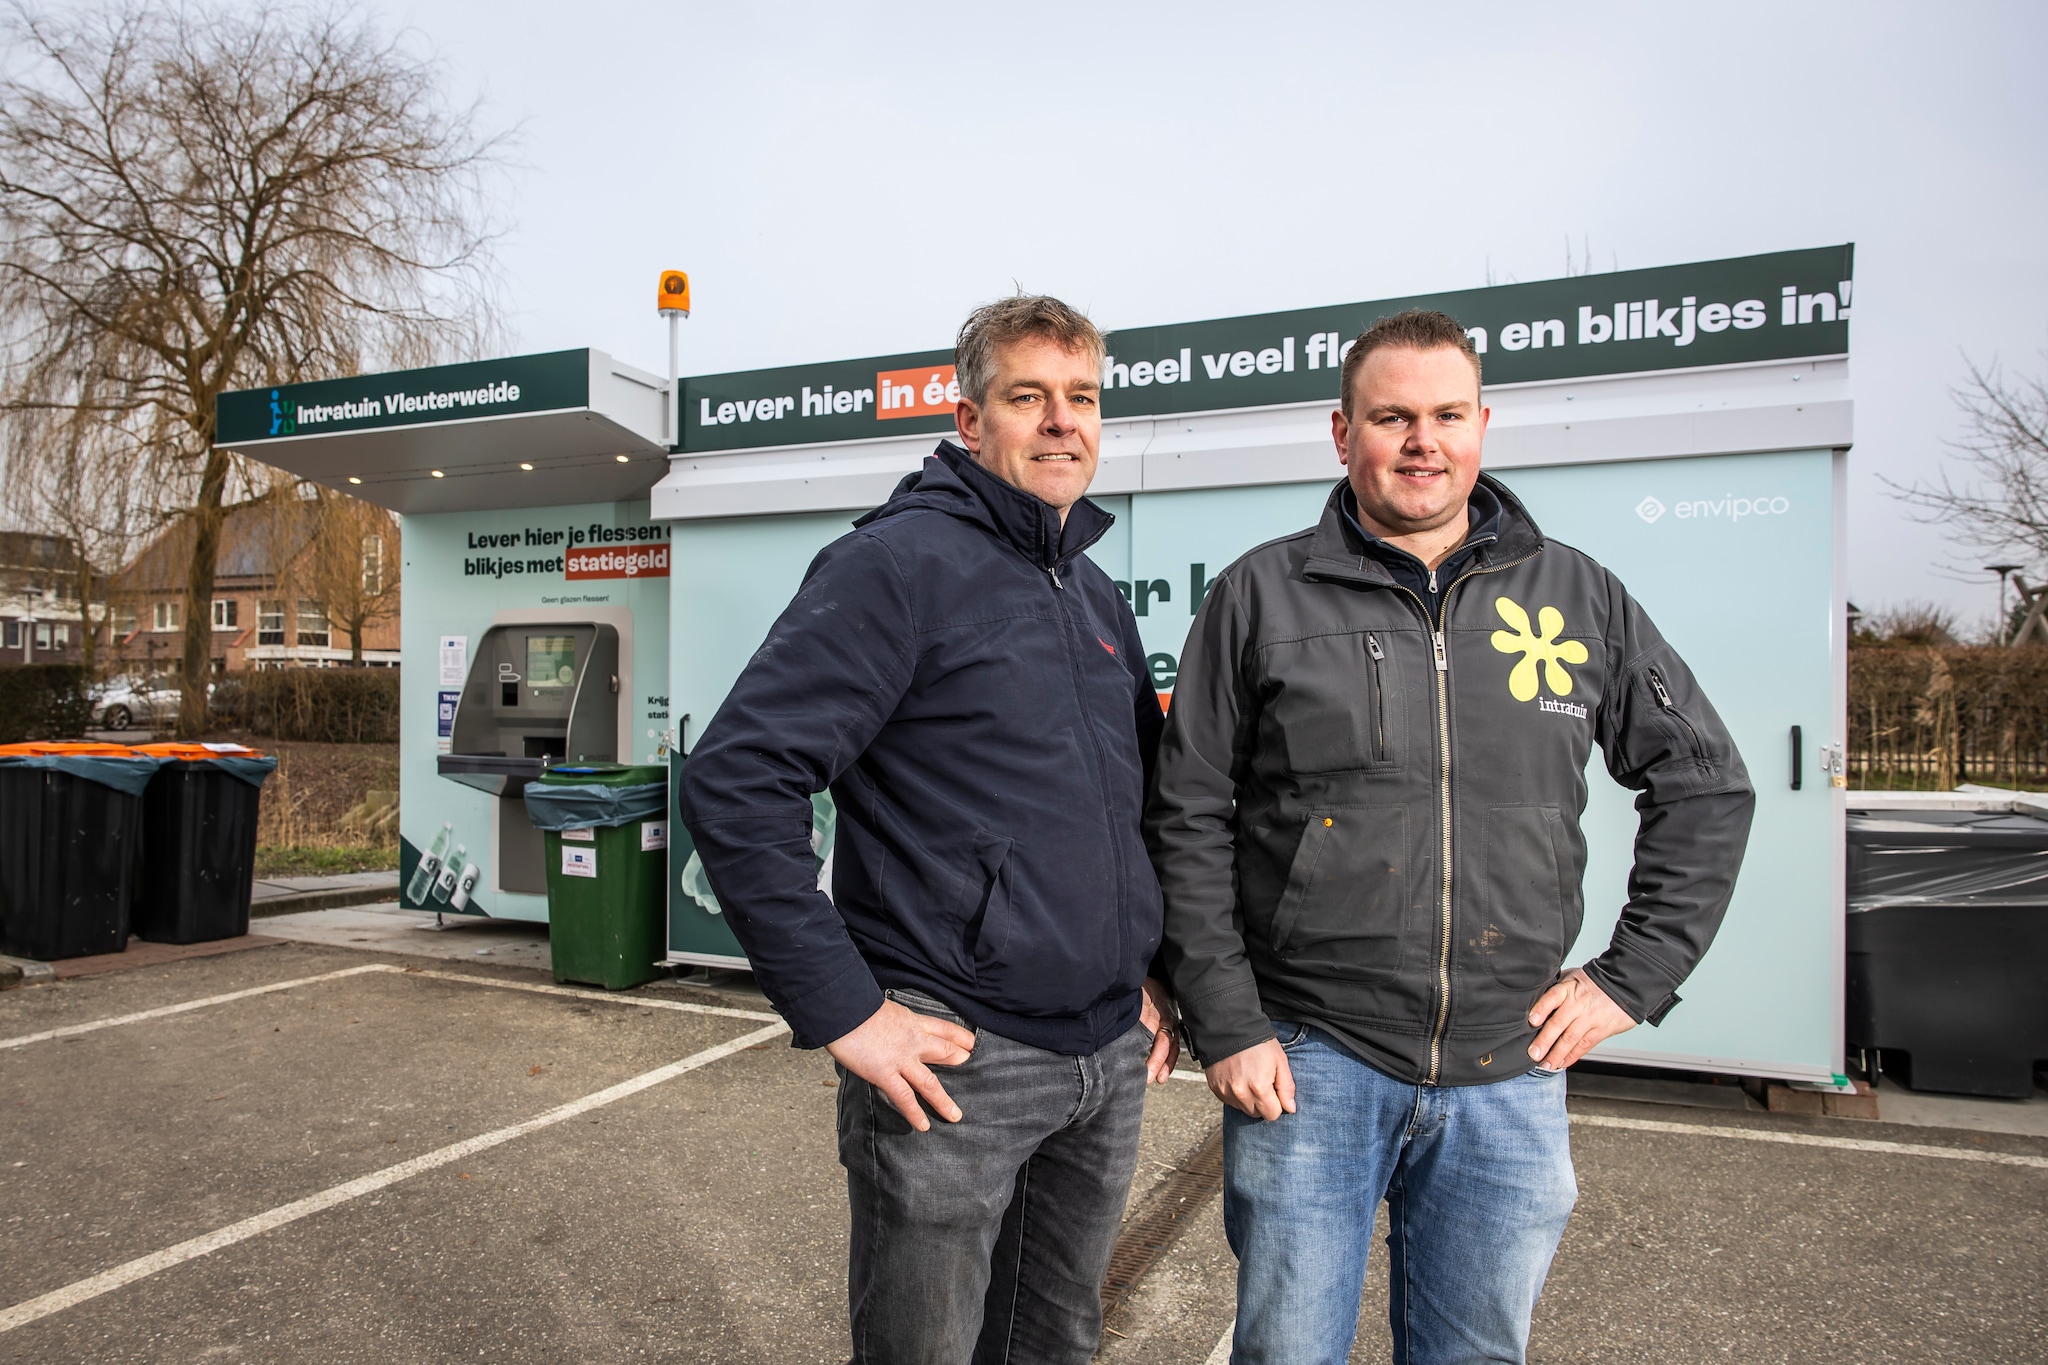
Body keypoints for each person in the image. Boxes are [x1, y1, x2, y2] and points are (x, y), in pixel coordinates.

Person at [1147, 309, 1754, 1365]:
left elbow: (1703, 783)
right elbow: (1186, 814)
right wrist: (1227, 1020)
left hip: (1507, 1063)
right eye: (1391, 417)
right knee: (1286, 1351)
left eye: (1444, 415)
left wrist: (1633, 974)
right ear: (1342, 434)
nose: (1421, 441)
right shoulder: (1260, 594)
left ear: (1482, 424)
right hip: (1310, 1057)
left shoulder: (1576, 595)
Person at [677, 295, 1180, 1365]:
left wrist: (1148, 970)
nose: (1060, 422)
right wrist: (844, 1011)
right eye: (1027, 397)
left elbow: (1132, 807)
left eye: (1080, 398)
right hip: (960, 1060)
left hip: (1103, 1056)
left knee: (1054, 1344)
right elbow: (738, 777)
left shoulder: (1093, 592)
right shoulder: (894, 566)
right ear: (968, 421)